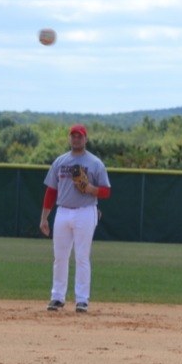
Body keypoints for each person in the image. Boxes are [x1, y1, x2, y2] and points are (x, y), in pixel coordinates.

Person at [39, 124, 111, 313]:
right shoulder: (60, 162)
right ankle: (57, 297)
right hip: (62, 211)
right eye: (73, 136)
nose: (76, 139)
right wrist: (44, 217)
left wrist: (91, 189)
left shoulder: (95, 163)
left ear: (86, 139)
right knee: (60, 257)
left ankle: (82, 300)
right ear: (70, 139)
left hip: (85, 211)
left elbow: (106, 191)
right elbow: (51, 191)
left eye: (80, 136)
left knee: (82, 257)